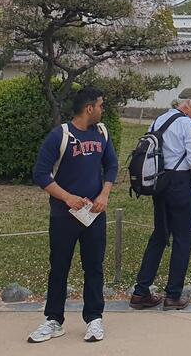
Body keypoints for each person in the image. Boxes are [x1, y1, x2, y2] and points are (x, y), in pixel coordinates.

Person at [27, 87, 118, 344]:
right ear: (89, 108)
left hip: (94, 214)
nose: (103, 110)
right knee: (59, 267)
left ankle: (94, 318)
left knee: (94, 266)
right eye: (100, 105)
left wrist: (105, 194)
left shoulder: (102, 133)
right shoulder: (60, 136)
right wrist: (66, 197)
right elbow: (41, 174)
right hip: (64, 215)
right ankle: (53, 320)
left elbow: (111, 165)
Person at [129, 87, 191, 311]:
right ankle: (173, 295)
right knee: (182, 239)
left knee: (159, 235)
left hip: (159, 182)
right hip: (180, 182)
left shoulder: (160, 119)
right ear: (189, 104)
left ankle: (141, 291)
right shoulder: (187, 124)